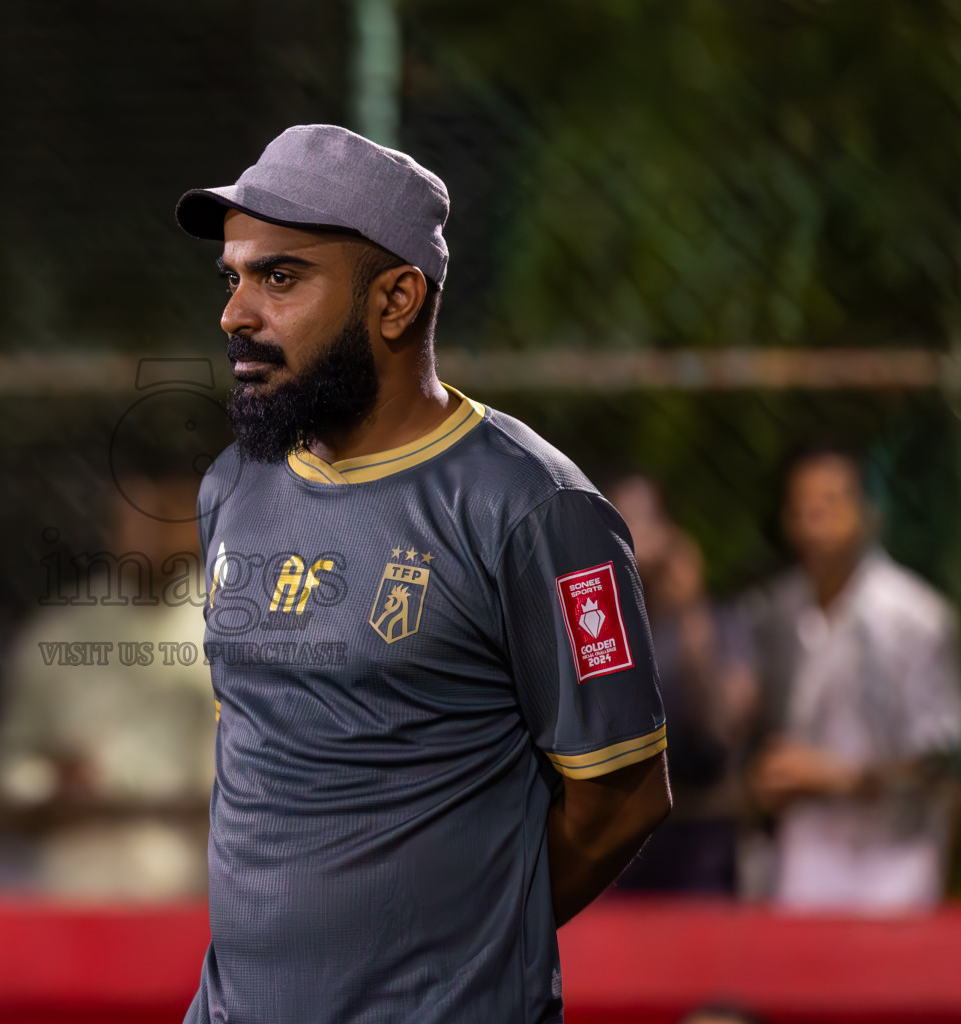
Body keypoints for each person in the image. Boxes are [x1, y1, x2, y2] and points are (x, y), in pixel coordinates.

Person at [171, 124, 671, 1024]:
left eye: (280, 277)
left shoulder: (535, 508)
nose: (235, 314)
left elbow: (623, 797)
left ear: (397, 299)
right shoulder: (233, 486)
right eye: (233, 278)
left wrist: (459, 960)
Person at [742, 443, 961, 911]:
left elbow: (941, 758)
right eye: (800, 508)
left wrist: (834, 778)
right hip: (804, 857)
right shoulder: (776, 610)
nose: (812, 523)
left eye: (829, 506)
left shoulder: (914, 619)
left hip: (895, 862)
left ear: (867, 514)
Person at [0, 473, 214, 899]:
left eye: (163, 513)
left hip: (201, 878)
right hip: (77, 881)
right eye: (133, 514)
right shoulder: (60, 632)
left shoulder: (244, 626)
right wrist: (49, 782)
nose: (147, 528)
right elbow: (9, 771)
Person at [608, 475, 756, 895]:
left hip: (700, 837)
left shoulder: (717, 625)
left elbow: (724, 726)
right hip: (620, 839)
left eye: (646, 520)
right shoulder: (598, 627)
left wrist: (691, 608)